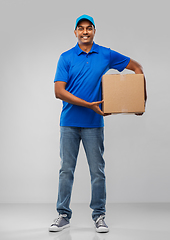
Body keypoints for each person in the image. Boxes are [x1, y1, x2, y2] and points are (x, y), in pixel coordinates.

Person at [49, 14, 147, 233]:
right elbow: (58, 91)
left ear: (94, 31)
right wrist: (88, 104)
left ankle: (99, 216)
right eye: (81, 28)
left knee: (97, 172)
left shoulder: (105, 54)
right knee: (66, 170)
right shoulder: (66, 57)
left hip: (94, 124)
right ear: (75, 32)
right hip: (69, 123)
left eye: (89, 28)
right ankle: (63, 215)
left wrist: (141, 100)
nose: (85, 31)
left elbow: (137, 68)